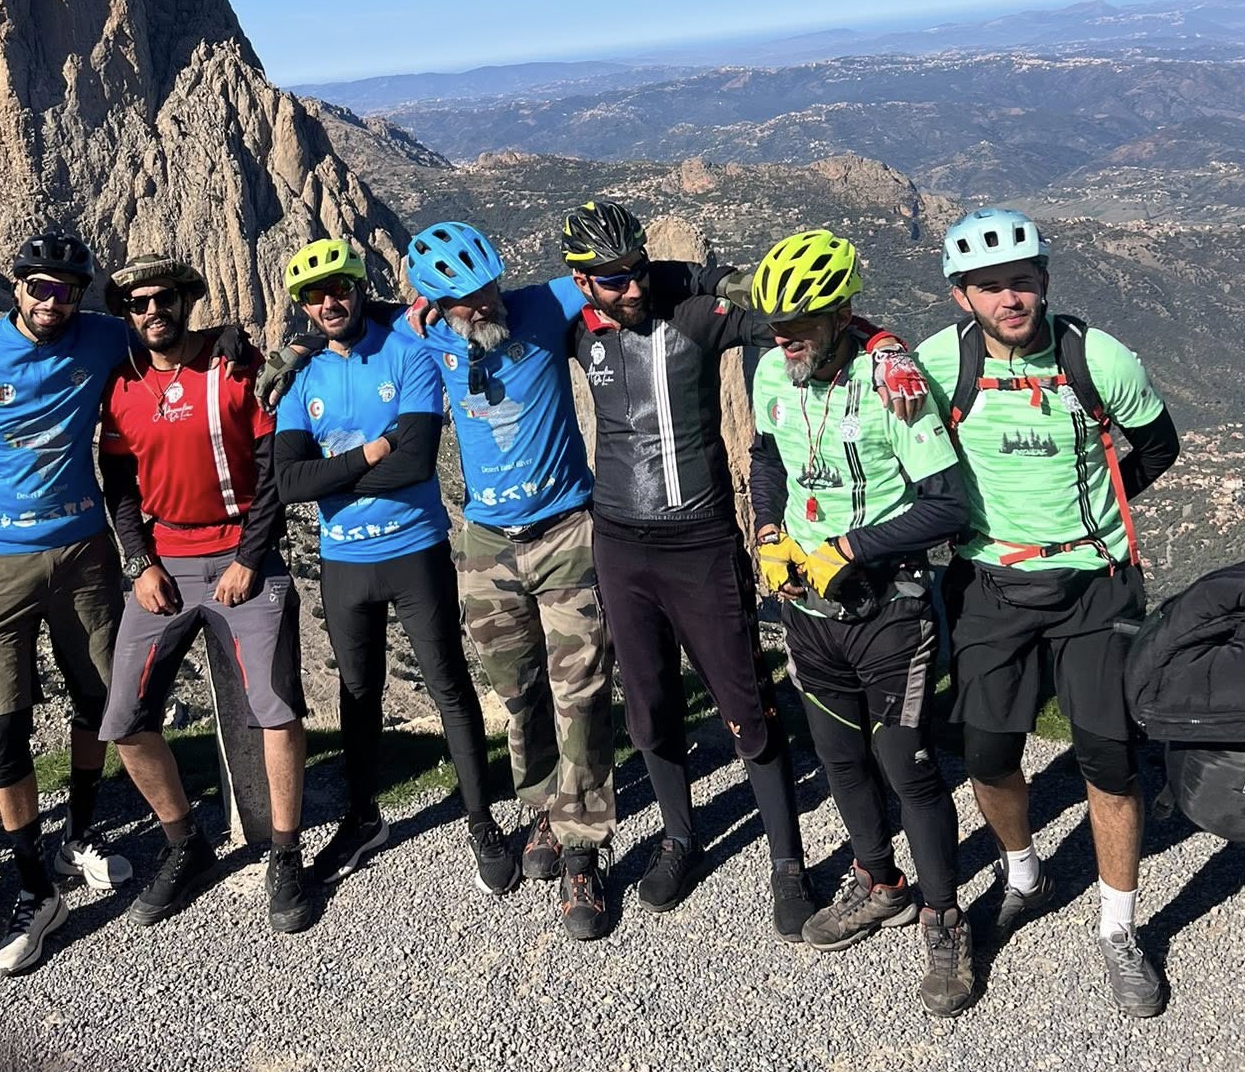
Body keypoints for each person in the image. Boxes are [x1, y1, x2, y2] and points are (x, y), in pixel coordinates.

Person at [919, 207, 1180, 1018]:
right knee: (990, 752)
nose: (1011, 298)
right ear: (963, 295)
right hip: (989, 585)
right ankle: (1022, 871)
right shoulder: (937, 364)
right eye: (991, 286)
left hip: (1094, 586)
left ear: (1045, 282)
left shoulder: (1093, 357)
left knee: (1108, 758)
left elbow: (1158, 444)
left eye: (1023, 281)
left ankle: (1119, 927)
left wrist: (1097, 516)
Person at [557, 199, 823, 937]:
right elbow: (486, 324)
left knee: (744, 701)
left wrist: (701, 275)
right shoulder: (575, 329)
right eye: (613, 281)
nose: (633, 290)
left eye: (639, 271)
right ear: (582, 283)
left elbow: (774, 313)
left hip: (700, 539)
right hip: (619, 540)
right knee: (648, 703)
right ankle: (681, 836)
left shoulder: (693, 316)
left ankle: (787, 863)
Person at [748, 228, 974, 1015]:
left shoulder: (891, 375)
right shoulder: (773, 367)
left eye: (800, 326)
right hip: (806, 611)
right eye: (776, 328)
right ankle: (879, 882)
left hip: (888, 608)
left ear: (842, 312)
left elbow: (947, 504)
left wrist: (851, 545)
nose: (784, 341)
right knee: (839, 758)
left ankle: (945, 917)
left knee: (906, 766)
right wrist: (770, 532)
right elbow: (768, 454)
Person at [0, 232, 134, 976]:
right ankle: (34, 885)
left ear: (82, 295)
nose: (52, 301)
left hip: (86, 555)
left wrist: (227, 339)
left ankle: (80, 835)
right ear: (17, 287)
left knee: (99, 700)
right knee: (3, 726)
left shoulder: (104, 338)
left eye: (67, 290)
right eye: (40, 287)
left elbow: (171, 349)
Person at [271, 238, 516, 895]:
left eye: (339, 289)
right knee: (358, 696)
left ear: (357, 289)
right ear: (302, 307)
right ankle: (362, 817)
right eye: (314, 296)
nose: (329, 303)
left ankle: (481, 820)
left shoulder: (406, 353)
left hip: (416, 549)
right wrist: (372, 451)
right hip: (344, 562)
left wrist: (341, 474)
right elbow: (290, 481)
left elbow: (415, 463)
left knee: (448, 684)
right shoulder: (303, 377)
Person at [402, 220, 615, 940]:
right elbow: (347, 327)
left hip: (566, 533)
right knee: (518, 691)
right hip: (486, 546)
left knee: (579, 690)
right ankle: (543, 812)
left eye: (488, 284)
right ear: (433, 302)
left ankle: (584, 847)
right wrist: (289, 348)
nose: (484, 302)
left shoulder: (542, 305)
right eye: (464, 297)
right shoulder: (423, 335)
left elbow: (627, 276)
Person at [95, 255, 314, 934]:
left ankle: (284, 852)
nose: (152, 311)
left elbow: (275, 470)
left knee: (276, 707)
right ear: (126, 314)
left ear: (187, 300)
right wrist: (141, 563)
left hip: (241, 558)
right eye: (137, 304)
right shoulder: (121, 384)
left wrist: (249, 558)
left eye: (164, 299)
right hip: (165, 563)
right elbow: (120, 487)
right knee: (124, 720)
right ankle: (183, 842)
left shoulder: (233, 366)